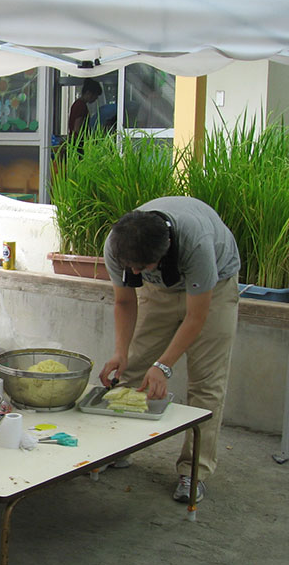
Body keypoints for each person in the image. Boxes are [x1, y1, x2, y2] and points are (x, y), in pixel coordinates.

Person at [98, 196, 240, 503]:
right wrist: (120, 352)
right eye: (130, 267)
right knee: (131, 370)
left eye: (142, 266)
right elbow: (124, 301)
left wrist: (164, 366)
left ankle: (194, 471)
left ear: (162, 254)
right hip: (160, 291)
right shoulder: (117, 244)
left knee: (206, 383)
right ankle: (118, 449)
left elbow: (196, 316)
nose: (135, 270)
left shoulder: (195, 242)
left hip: (212, 292)